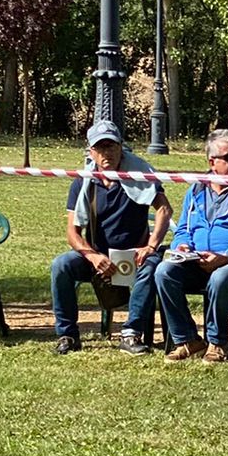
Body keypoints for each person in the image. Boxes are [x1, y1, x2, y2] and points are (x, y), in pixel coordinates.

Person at [153, 128, 228, 363]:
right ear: (212, 162)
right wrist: (182, 247)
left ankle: (217, 342)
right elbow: (184, 229)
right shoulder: (196, 189)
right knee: (163, 272)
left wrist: (226, 256)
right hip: (197, 261)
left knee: (222, 277)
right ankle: (187, 340)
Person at [49, 121, 172, 356]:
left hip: (135, 256)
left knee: (152, 267)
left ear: (121, 147)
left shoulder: (139, 173)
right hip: (98, 256)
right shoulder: (82, 182)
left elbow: (164, 210)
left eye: (112, 146)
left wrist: (151, 246)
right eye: (101, 147)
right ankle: (67, 335)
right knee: (61, 265)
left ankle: (131, 334)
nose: (107, 153)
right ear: (91, 152)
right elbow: (72, 232)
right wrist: (93, 257)